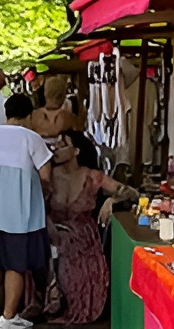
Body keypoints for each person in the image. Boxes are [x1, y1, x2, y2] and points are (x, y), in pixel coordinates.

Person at [0, 94, 54, 329]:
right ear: (29, 115)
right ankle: (9, 317)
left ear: (6, 113)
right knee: (15, 264)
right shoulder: (32, 138)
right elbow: (46, 176)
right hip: (21, 213)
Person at [42, 131, 133, 323]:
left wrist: (112, 200)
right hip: (54, 235)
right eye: (55, 144)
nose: (55, 148)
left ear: (76, 151)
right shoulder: (48, 175)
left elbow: (132, 193)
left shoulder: (93, 176)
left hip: (84, 239)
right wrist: (48, 226)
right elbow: (37, 204)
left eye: (62, 144)